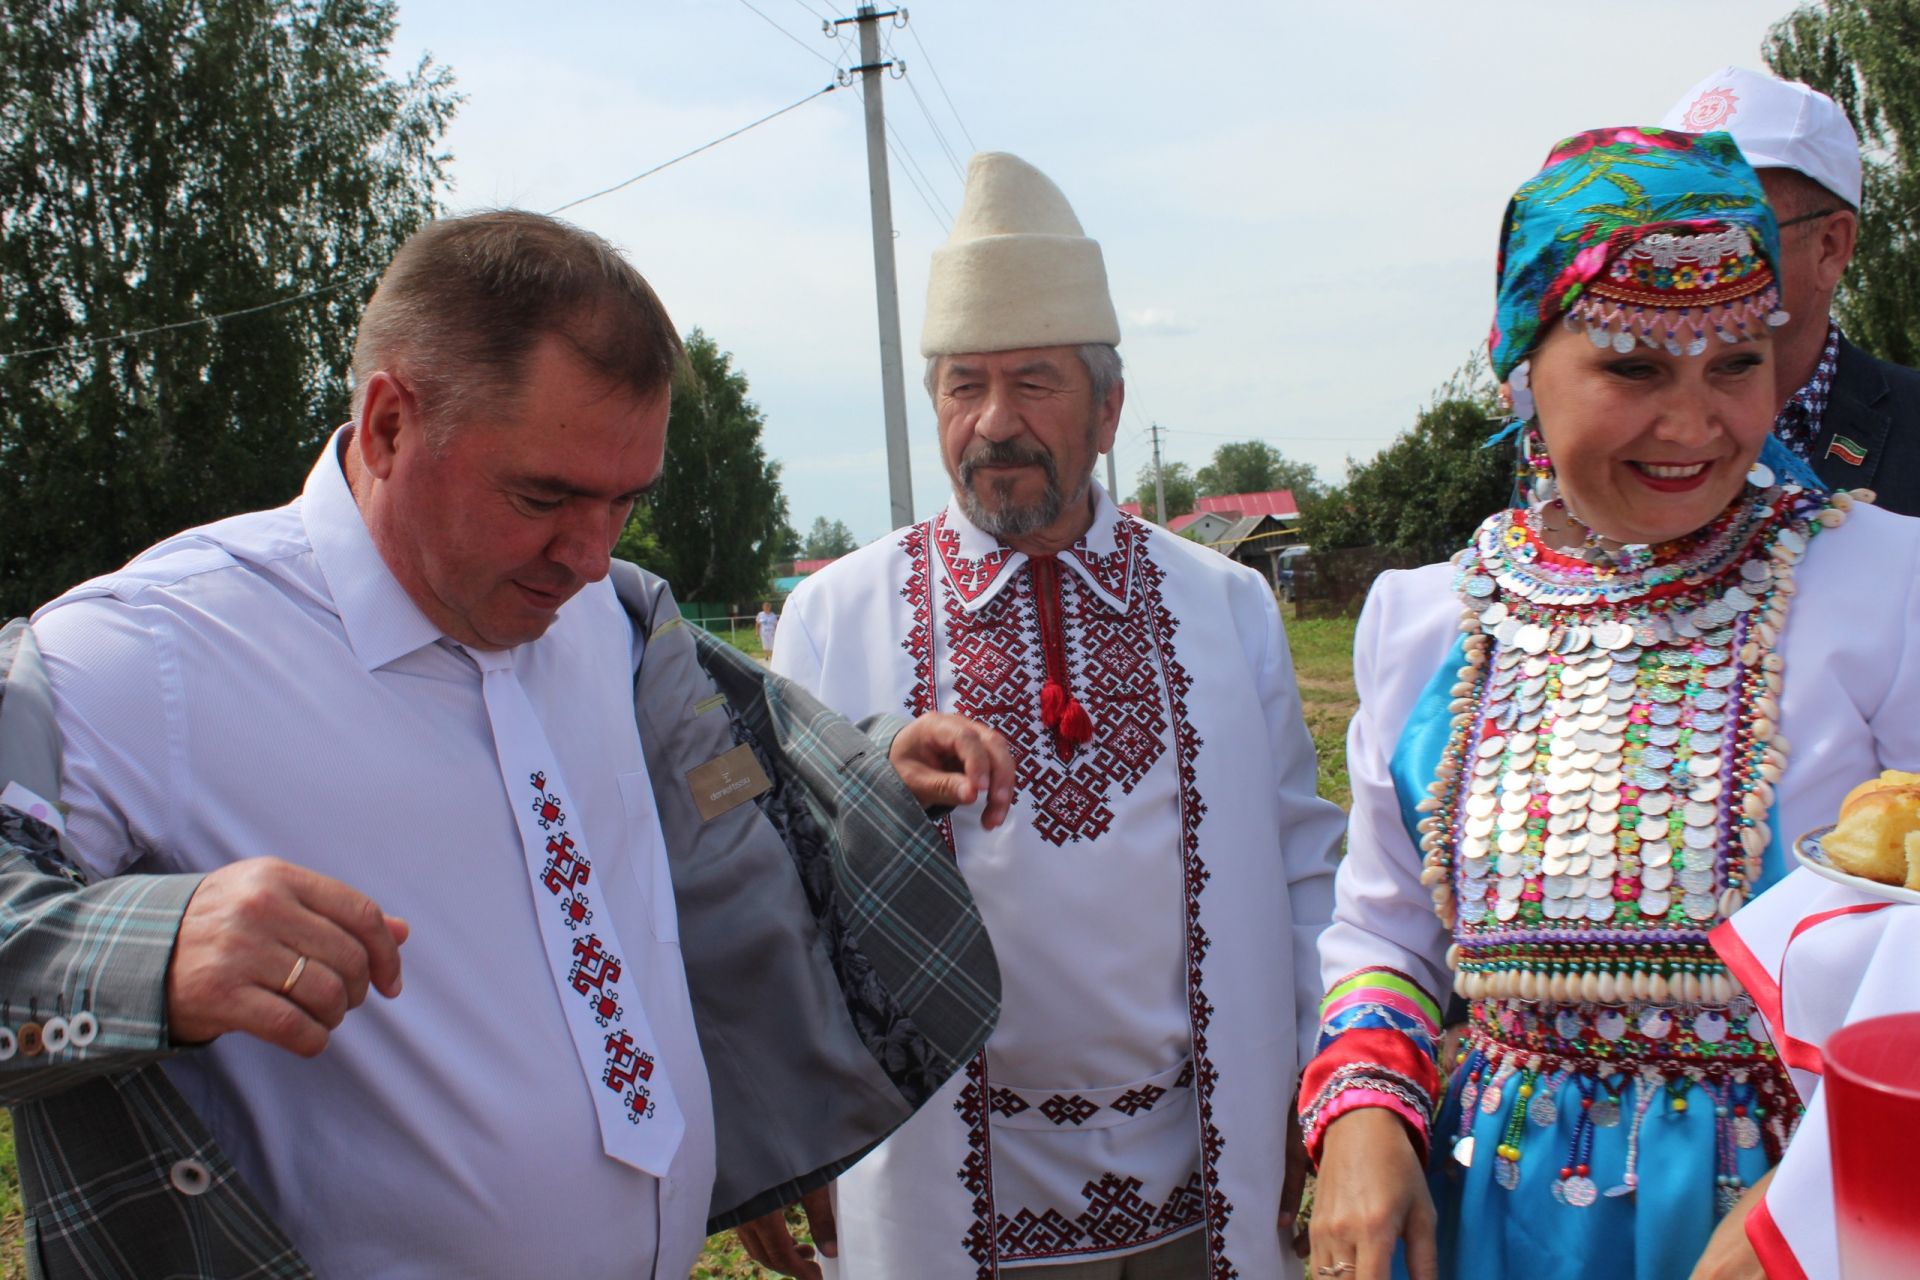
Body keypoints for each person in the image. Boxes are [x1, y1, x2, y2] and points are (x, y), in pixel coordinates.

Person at [0, 209, 1012, 1279]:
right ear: (390, 422)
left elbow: (728, 771)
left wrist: (867, 765)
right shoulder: (137, 655)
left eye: (626, 499)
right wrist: (152, 950)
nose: (587, 553)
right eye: (544, 495)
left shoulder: (612, 619)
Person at [1300, 128, 1920, 1280]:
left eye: (1737, 362)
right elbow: (1385, 929)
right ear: (1521, 361)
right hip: (1495, 1219)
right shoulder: (1431, 619)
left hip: (1793, 1223)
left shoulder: (1885, 586)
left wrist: (1815, 1201)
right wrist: (1363, 1120)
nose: (1693, 424)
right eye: (1634, 367)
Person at [757, 151, 1345, 1279]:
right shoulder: (837, 610)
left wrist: (1313, 1080)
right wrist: (783, 1118)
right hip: (938, 1180)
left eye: (1035, 381)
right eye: (963, 384)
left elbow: (1300, 861)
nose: (994, 420)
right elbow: (776, 879)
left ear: (1110, 404)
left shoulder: (1224, 603)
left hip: (1202, 1175)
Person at [1662, 67, 1920, 515]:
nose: (1689, 258)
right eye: (1668, 229)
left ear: (1830, 247)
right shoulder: (1607, 430)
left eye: (1729, 232)